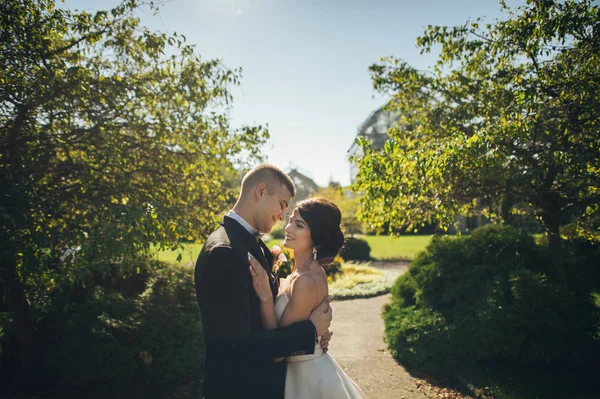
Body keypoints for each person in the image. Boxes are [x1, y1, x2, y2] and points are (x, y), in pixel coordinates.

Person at [194, 164, 334, 399]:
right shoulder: (225, 251)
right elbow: (239, 346)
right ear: (260, 191)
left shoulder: (248, 242)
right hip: (241, 389)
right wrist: (309, 332)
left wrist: (315, 336)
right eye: (282, 204)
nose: (282, 216)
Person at [248, 197, 366, 399]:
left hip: (307, 379)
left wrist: (266, 298)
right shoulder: (305, 272)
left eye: (299, 225)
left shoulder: (306, 281)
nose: (288, 228)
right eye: (291, 220)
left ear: (316, 236)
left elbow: (278, 352)